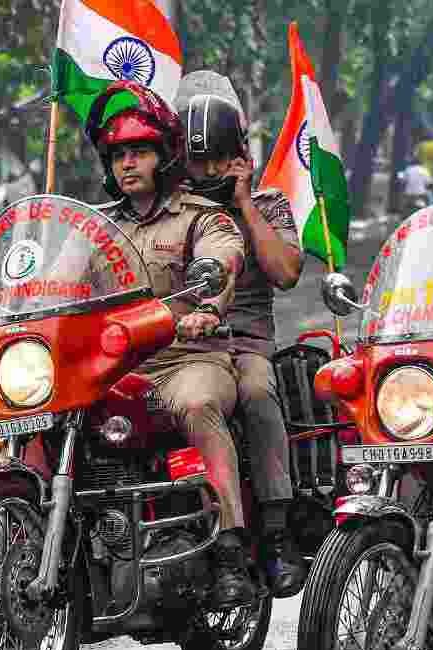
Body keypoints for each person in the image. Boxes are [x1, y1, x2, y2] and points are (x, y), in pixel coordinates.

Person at [83, 81, 257, 604]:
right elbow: (59, 281)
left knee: (199, 404)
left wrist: (207, 306)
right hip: (115, 366)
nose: (127, 164)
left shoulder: (200, 215)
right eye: (118, 155)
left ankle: (230, 546)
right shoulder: (95, 227)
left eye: (138, 152)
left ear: (163, 156)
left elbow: (224, 257)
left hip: (188, 357)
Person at [175, 71, 307, 597]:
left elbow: (287, 273)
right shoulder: (173, 211)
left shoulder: (267, 203)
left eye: (216, 160)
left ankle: (275, 532)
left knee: (256, 391)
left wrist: (244, 201)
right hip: (182, 347)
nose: (206, 171)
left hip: (247, 342)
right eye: (196, 160)